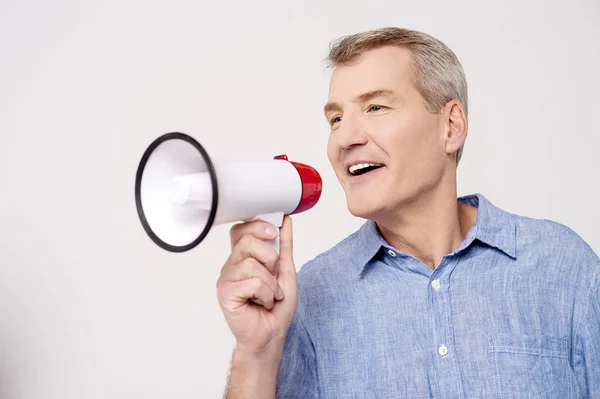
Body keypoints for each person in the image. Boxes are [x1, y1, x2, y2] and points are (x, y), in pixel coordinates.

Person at [217, 27, 600, 398]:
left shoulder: (561, 266)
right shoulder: (308, 298)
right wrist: (256, 354)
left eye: (376, 107)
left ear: (451, 127)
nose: (345, 138)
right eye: (336, 118)